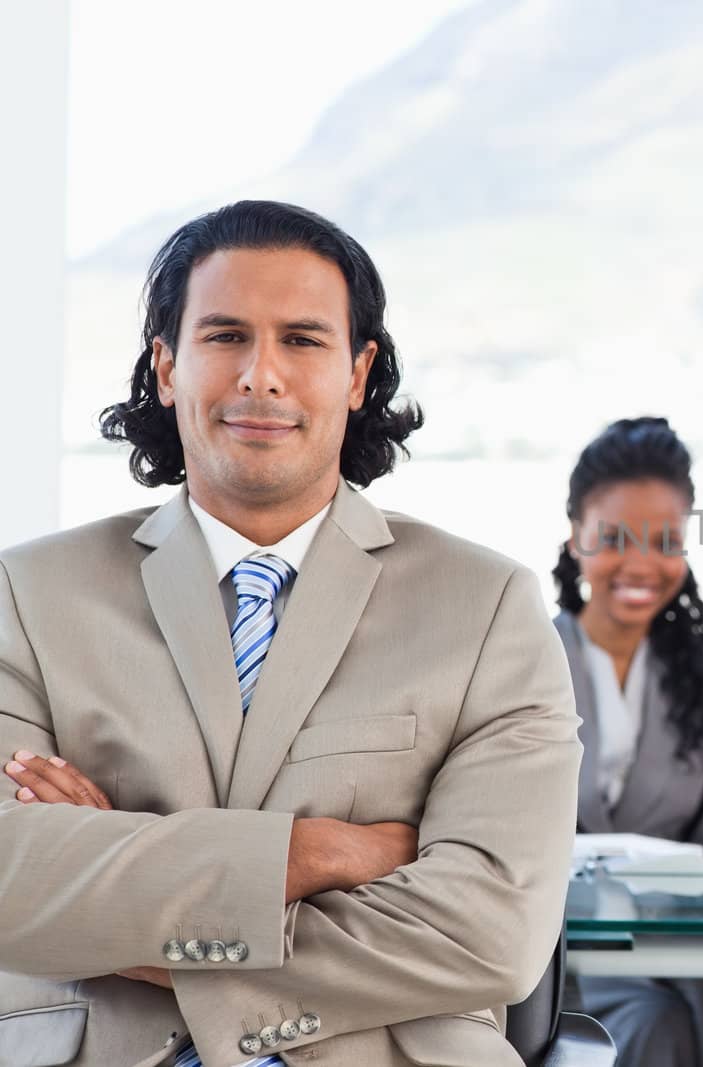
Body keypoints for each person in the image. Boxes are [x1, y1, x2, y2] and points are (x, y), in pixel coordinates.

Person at [0, 200, 579, 1067]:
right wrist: (330, 851)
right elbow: (11, 886)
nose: (261, 375)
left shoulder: (489, 605)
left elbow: (489, 930)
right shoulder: (28, 593)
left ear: (357, 372)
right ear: (167, 365)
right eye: (225, 335)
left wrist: (122, 895)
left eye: (303, 340)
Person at [553, 416, 703, 1067]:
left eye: (665, 540)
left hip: (681, 945)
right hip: (558, 957)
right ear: (576, 537)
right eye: (615, 537)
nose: (642, 563)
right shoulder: (520, 661)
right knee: (657, 1022)